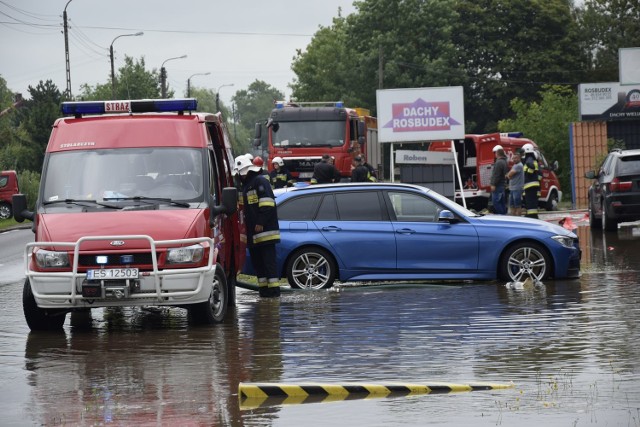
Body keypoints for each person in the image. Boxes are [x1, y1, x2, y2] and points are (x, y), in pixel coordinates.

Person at [233, 154, 281, 298]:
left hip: (265, 233)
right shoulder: (246, 186)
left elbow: (268, 204)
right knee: (258, 264)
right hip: (253, 235)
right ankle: (264, 291)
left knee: (268, 264)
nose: (241, 176)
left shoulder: (260, 181)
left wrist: (260, 223)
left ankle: (273, 293)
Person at [522, 143, 542, 219]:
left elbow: (531, 166)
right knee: (530, 201)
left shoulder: (529, 159)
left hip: (530, 184)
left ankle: (532, 216)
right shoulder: (531, 159)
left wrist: (529, 173)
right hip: (531, 185)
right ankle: (532, 215)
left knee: (531, 201)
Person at [490, 144, 508, 214]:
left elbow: (496, 175)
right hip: (502, 185)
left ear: (497, 153)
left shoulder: (499, 162)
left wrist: (493, 184)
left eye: (495, 153)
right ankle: (504, 217)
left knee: (496, 203)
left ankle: (501, 216)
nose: (494, 154)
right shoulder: (504, 161)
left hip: (498, 186)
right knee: (502, 203)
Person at [506, 151, 524, 216]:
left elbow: (510, 174)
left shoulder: (519, 165)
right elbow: (509, 174)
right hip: (512, 188)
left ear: (519, 158)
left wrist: (508, 175)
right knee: (512, 204)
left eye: (515, 158)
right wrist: (508, 175)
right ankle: (513, 217)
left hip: (517, 188)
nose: (514, 159)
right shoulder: (515, 165)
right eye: (513, 158)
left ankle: (518, 217)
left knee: (517, 205)